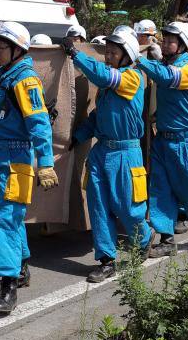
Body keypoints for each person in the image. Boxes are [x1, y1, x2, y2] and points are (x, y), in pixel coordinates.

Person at [0, 21, 58, 315]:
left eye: (1, 47)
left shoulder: (25, 80)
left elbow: (40, 124)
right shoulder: (2, 75)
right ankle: (22, 267)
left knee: (6, 218)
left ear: (18, 49)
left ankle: (8, 285)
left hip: (15, 158)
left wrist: (46, 163)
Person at [62, 30, 152, 282]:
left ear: (128, 56)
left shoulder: (132, 78)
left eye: (113, 53)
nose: (108, 57)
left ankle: (144, 237)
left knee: (128, 208)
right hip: (101, 151)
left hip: (126, 153)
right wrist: (78, 137)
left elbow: (101, 75)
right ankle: (106, 259)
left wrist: (74, 54)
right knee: (98, 207)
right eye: (107, 52)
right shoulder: (107, 87)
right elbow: (97, 117)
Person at [136, 21, 188, 256]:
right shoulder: (164, 64)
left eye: (172, 41)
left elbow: (171, 79)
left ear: (185, 44)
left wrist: (140, 59)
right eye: (165, 40)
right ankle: (166, 239)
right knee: (160, 190)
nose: (167, 44)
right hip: (163, 140)